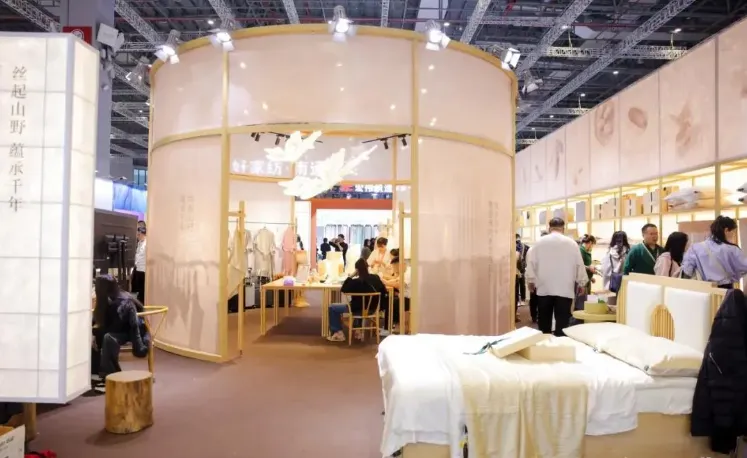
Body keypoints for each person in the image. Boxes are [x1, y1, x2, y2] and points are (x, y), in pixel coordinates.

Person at [525, 218, 588, 336]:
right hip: (565, 288)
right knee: (563, 321)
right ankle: (560, 341)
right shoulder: (572, 243)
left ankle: (545, 342)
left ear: (549, 228)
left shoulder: (539, 243)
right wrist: (582, 283)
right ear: (563, 228)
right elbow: (579, 264)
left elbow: (531, 263)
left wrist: (530, 281)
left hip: (544, 288)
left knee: (544, 320)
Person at [92, 275, 150, 389]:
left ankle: (110, 375)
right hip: (121, 329)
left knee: (108, 338)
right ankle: (97, 371)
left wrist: (96, 332)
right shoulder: (110, 298)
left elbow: (130, 326)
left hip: (131, 331)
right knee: (96, 336)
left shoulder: (122, 302)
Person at [326, 259, 387, 342]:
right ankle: (358, 330)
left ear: (357, 270)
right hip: (373, 309)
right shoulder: (375, 278)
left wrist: (351, 276)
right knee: (361, 304)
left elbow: (343, 289)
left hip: (356, 309)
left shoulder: (355, 282)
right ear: (367, 267)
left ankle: (338, 333)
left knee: (332, 307)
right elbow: (384, 291)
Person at [681, 216, 747, 289]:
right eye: (733, 232)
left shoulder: (695, 248)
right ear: (726, 230)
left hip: (703, 289)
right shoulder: (732, 249)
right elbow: (744, 266)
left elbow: (687, 271)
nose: (733, 235)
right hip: (725, 288)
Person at [572, 234, 597, 324]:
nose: (592, 247)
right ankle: (577, 322)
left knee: (585, 301)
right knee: (580, 302)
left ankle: (582, 321)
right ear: (590, 243)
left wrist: (591, 278)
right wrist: (589, 268)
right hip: (581, 281)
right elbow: (580, 265)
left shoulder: (586, 251)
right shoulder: (581, 250)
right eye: (592, 245)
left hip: (587, 280)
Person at [600, 231, 630, 306]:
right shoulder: (629, 252)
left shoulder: (609, 253)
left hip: (611, 285)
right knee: (623, 308)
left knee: (611, 307)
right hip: (625, 285)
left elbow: (604, 270)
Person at [382, 256, 411, 332]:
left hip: (408, 299)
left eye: (394, 267)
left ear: (399, 265)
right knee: (389, 300)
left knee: (391, 303)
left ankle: (391, 327)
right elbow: (395, 280)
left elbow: (399, 284)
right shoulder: (404, 272)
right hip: (404, 297)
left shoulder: (408, 273)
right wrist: (384, 281)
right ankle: (388, 327)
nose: (394, 269)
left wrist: (385, 282)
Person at [130, 226, 147, 302]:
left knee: (142, 288)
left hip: (143, 270)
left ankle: (142, 302)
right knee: (136, 287)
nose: (137, 236)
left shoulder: (146, 244)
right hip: (137, 268)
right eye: (137, 234)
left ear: (144, 234)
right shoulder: (139, 243)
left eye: (139, 234)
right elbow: (138, 255)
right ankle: (137, 301)